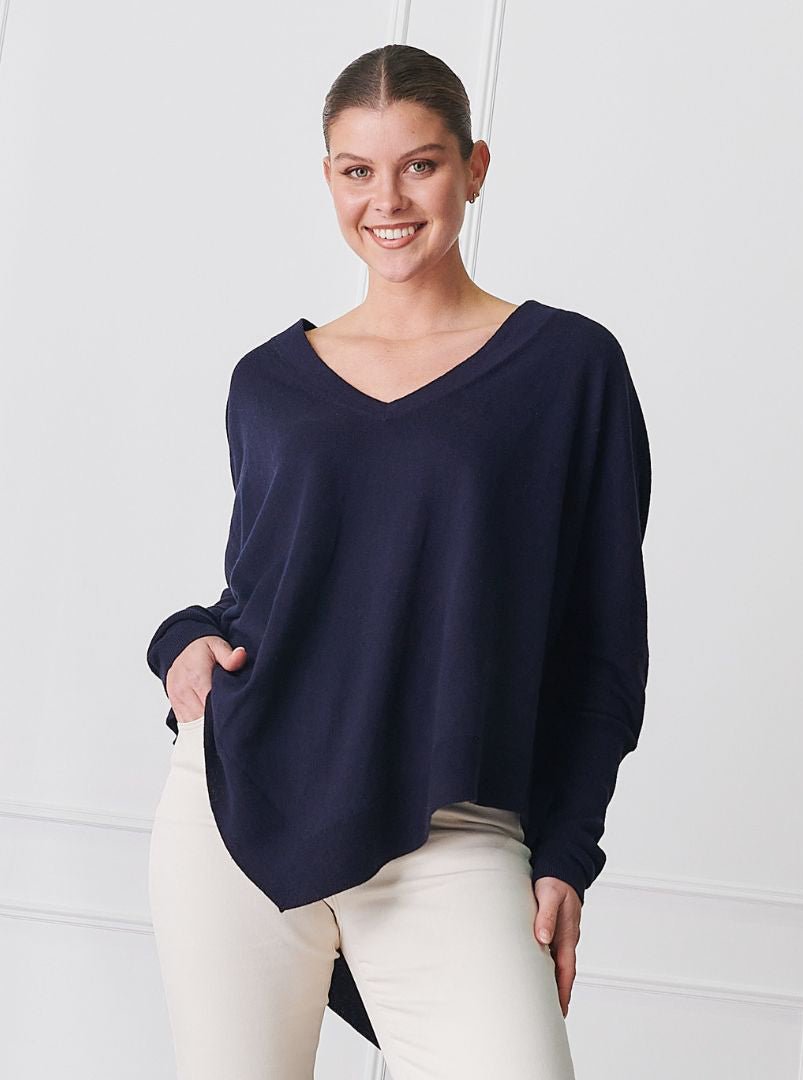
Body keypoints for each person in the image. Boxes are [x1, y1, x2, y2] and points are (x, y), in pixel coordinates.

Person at [146, 43, 651, 1080]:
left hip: (453, 816)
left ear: (474, 167)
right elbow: (272, 590)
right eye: (357, 170)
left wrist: (567, 851)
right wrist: (180, 639)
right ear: (328, 178)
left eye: (420, 164)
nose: (388, 200)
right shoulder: (268, 383)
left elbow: (603, 643)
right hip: (240, 801)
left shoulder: (568, 369)